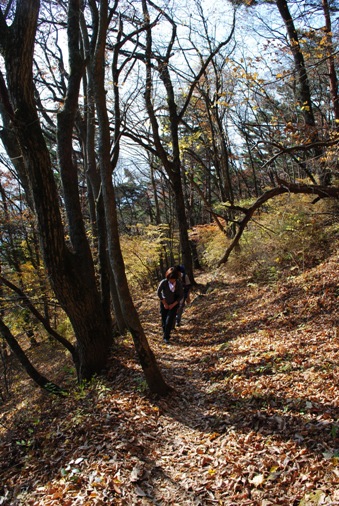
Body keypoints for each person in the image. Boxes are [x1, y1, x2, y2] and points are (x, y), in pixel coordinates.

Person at [157, 266, 184, 344]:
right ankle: (165, 333)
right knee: (164, 320)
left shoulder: (178, 284)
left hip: (174, 304)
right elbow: (158, 293)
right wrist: (164, 303)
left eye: (173, 279)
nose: (172, 281)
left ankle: (166, 337)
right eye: (170, 279)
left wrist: (173, 304)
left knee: (169, 320)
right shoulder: (164, 282)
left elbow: (181, 295)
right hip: (164, 303)